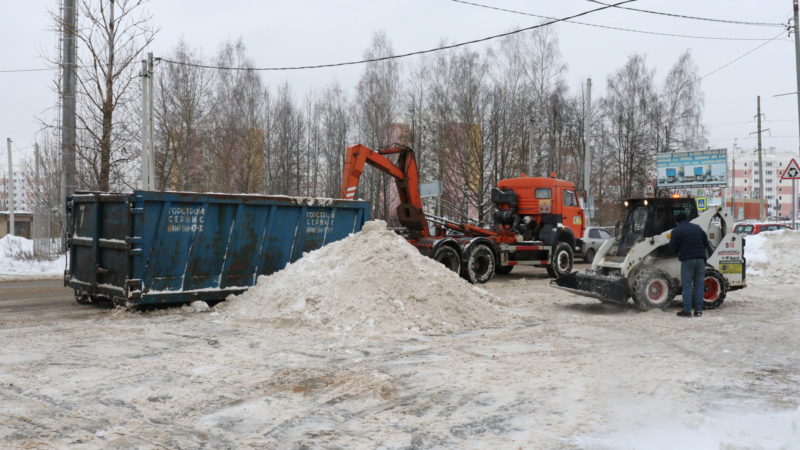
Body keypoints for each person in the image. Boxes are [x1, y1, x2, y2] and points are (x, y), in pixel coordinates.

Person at [669, 213, 713, 317]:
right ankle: (698, 311)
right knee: (699, 285)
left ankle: (687, 311)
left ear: (677, 222)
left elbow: (672, 248)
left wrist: (678, 251)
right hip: (700, 259)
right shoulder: (697, 228)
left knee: (687, 286)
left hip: (688, 260)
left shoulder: (676, 231)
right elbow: (705, 241)